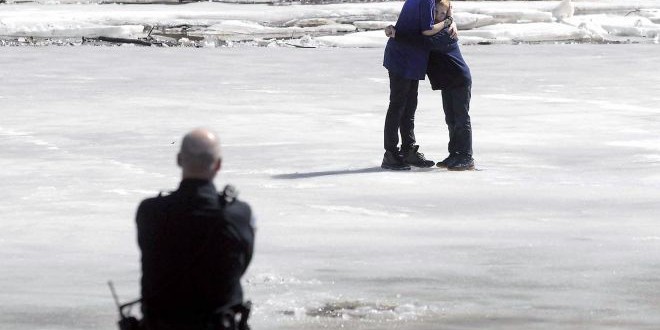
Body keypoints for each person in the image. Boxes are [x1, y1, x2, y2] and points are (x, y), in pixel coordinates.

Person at [136, 128, 255, 330]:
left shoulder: (150, 212)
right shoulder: (237, 215)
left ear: (179, 159)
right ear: (218, 165)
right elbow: (242, 262)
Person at [387, 0, 475, 171]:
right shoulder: (436, 29)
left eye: (443, 14)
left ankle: (466, 156)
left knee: (461, 119)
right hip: (448, 82)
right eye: (436, 12)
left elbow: (423, 43)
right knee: (451, 119)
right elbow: (421, 36)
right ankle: (454, 154)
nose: (438, 16)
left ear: (448, 14)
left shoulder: (445, 32)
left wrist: (397, 34)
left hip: (459, 80)